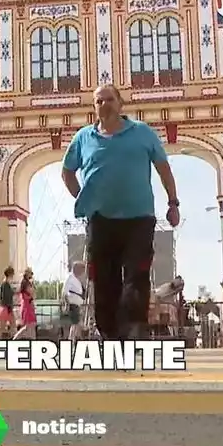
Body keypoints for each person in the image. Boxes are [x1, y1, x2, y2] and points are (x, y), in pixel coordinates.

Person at [61, 84, 181, 341]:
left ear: (120, 104)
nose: (104, 105)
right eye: (98, 101)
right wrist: (82, 197)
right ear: (94, 107)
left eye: (109, 100)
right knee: (104, 280)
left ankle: (133, 329)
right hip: (101, 221)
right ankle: (109, 334)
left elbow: (163, 169)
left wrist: (173, 203)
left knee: (136, 276)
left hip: (139, 219)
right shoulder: (83, 138)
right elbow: (67, 172)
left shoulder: (143, 133)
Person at [62, 261, 87, 340]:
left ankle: (74, 340)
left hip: (77, 304)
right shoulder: (70, 277)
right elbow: (65, 292)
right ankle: (72, 340)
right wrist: (67, 304)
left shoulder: (76, 279)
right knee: (76, 324)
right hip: (73, 304)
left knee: (76, 325)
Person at [0, 267, 16, 339]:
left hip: (7, 308)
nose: (13, 276)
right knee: (2, 326)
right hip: (5, 308)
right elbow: (5, 296)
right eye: (12, 274)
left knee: (11, 326)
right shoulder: (5, 284)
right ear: (10, 274)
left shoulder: (6, 283)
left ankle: (10, 339)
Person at [12, 268, 38, 339]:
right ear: (27, 274)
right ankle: (16, 338)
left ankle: (33, 342)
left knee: (31, 326)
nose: (31, 275)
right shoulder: (25, 283)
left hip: (28, 305)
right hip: (27, 306)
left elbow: (32, 294)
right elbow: (32, 293)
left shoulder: (26, 283)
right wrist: (32, 286)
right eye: (30, 273)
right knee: (29, 326)